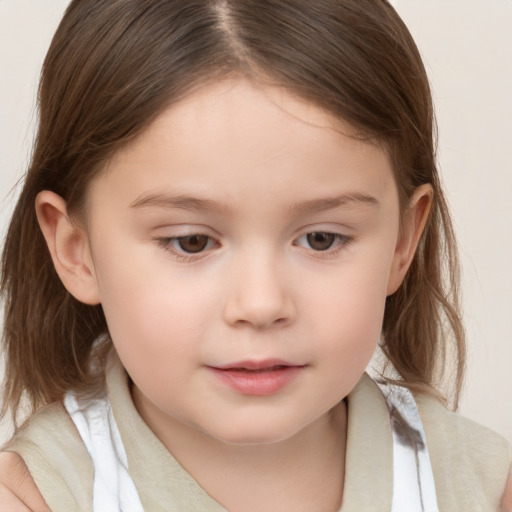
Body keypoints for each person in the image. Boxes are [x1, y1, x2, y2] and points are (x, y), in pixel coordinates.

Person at [0, 0, 510, 510]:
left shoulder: (478, 485)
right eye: (191, 241)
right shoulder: (34, 495)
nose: (262, 304)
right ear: (77, 250)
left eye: (321, 239)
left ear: (403, 241)